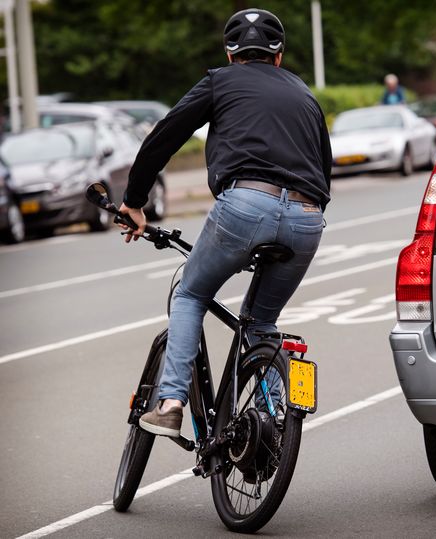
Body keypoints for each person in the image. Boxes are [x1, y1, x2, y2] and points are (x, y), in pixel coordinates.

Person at [119, 8, 332, 438]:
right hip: (309, 218)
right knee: (262, 322)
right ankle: (274, 420)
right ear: (279, 55)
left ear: (230, 53)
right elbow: (324, 166)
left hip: (244, 206)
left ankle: (171, 403)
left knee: (191, 294)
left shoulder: (219, 80)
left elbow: (165, 136)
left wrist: (135, 202)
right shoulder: (303, 92)